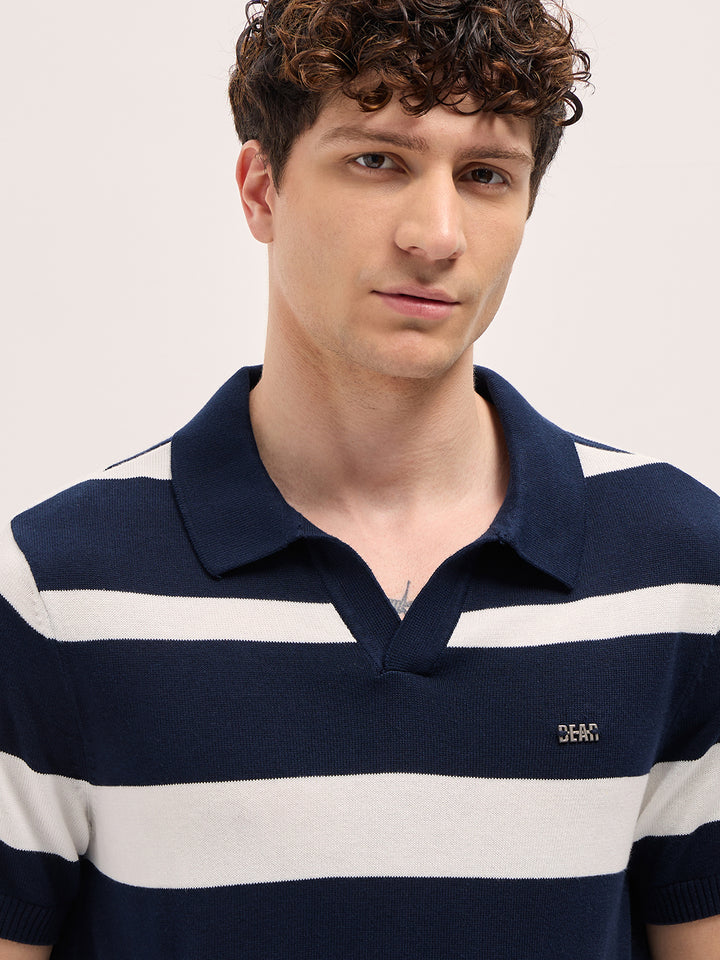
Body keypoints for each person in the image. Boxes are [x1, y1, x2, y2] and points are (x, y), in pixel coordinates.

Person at [0, 0, 718, 956]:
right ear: (261, 189)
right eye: (378, 160)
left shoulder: (678, 569)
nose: (436, 234)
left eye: (486, 175)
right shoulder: (57, 589)